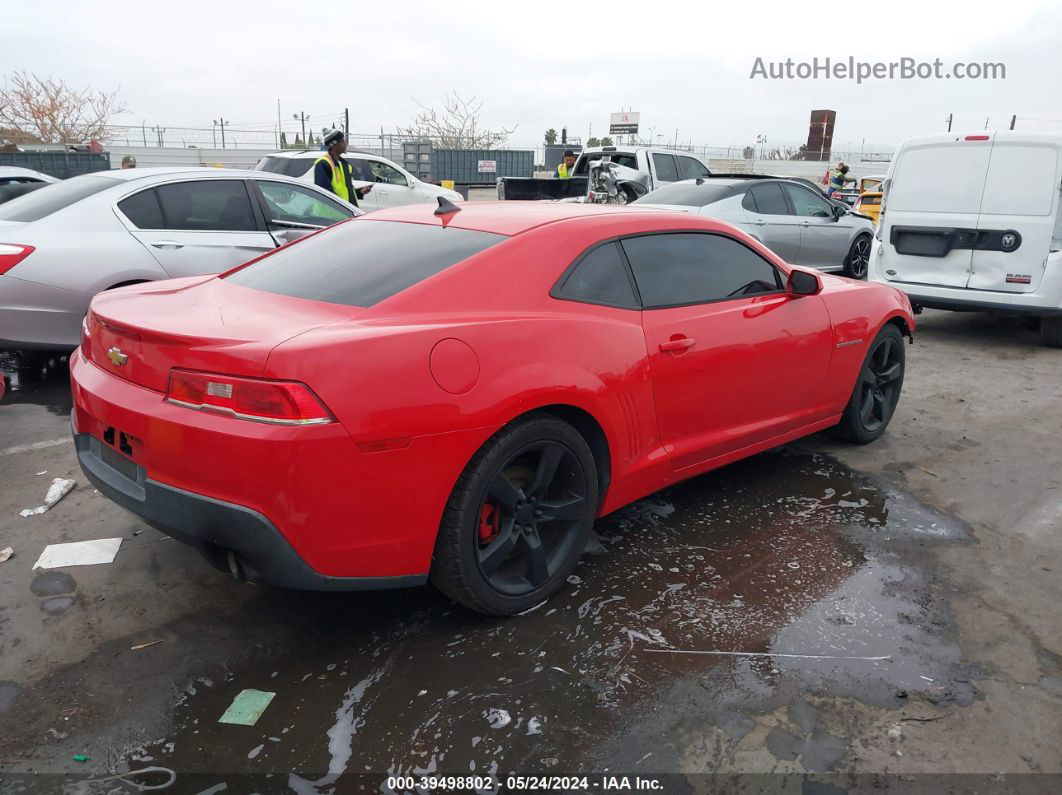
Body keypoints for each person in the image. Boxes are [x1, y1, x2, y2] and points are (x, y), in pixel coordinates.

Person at [314, 129, 371, 207]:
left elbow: (346, 191)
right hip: (330, 215)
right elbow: (325, 193)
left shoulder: (345, 165)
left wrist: (360, 192)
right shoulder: (323, 164)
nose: (346, 144)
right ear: (333, 145)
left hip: (345, 213)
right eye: (342, 141)